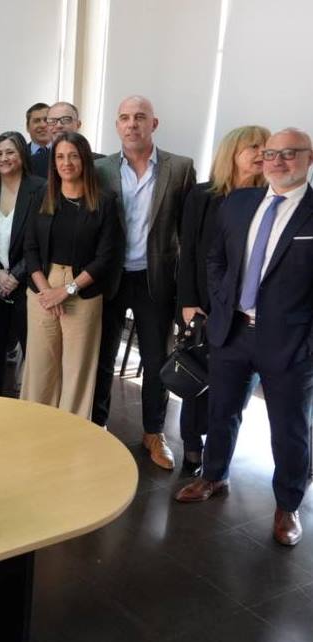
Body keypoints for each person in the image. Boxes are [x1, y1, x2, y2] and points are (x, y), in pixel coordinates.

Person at [175, 128, 313, 547]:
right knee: (222, 411)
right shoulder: (239, 202)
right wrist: (222, 301)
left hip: (290, 343)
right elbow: (215, 256)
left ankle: (287, 505)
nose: (277, 161)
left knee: (289, 428)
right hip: (232, 331)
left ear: (308, 159)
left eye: (290, 154)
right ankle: (214, 476)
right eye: (271, 153)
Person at [93, 95, 196, 469]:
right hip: (110, 277)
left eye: (140, 117)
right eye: (124, 117)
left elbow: (188, 233)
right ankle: (97, 426)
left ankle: (154, 432)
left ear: (154, 123)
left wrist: (187, 290)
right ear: (117, 125)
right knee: (102, 357)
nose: (132, 123)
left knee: (157, 360)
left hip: (156, 279)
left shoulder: (179, 168)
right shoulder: (101, 169)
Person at [175, 125, 269, 476]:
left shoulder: (270, 200)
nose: (261, 153)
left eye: (265, 147)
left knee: (231, 393)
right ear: (232, 152)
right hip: (201, 305)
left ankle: (218, 460)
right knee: (195, 378)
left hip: (244, 311)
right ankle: (191, 446)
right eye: (253, 147)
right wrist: (187, 301)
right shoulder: (203, 196)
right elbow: (187, 253)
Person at [21, 133, 123, 419]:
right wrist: (47, 292)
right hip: (42, 286)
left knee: (77, 369)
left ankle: (72, 431)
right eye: (60, 157)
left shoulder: (104, 202)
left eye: (73, 156)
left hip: (83, 290)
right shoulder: (41, 196)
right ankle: (34, 424)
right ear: (53, 163)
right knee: (40, 367)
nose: (66, 162)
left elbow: (105, 257)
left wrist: (66, 291)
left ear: (85, 160)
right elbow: (29, 247)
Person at [0, 132, 46, 397]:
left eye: (10, 152)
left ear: (22, 155)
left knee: (32, 347)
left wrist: (16, 275)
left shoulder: (40, 189)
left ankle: (32, 401)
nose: (4, 158)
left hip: (27, 282)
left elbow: (42, 240)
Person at [33, 102, 104, 177]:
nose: (59, 125)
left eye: (66, 120)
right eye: (52, 121)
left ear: (78, 124)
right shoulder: (33, 163)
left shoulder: (100, 163)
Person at [25, 102, 51, 172]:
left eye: (46, 120)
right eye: (36, 121)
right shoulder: (20, 155)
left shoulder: (62, 153)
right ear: (27, 127)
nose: (43, 125)